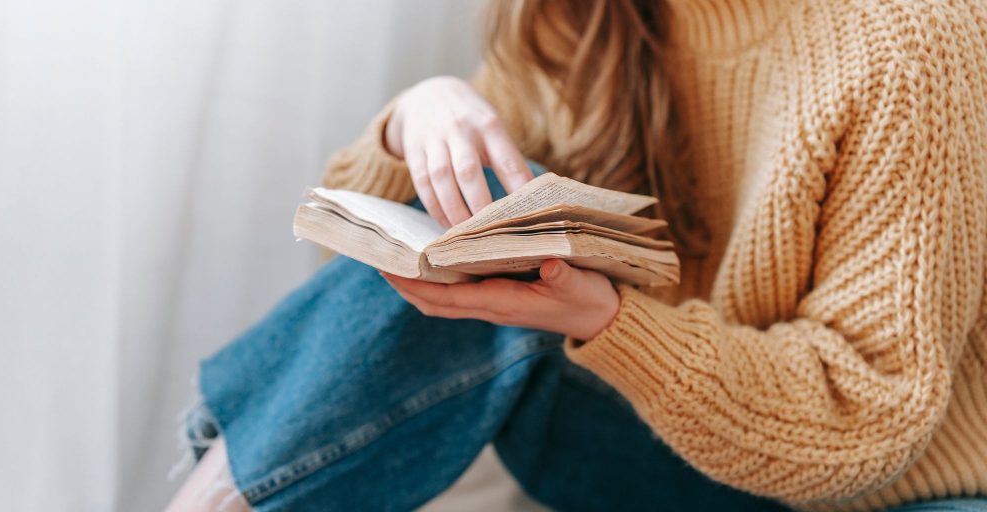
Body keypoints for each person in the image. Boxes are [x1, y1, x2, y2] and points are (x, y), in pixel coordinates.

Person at [166, 0, 987, 511]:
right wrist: (415, 115)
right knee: (454, 249)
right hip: (662, 457)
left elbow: (869, 419)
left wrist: (612, 323)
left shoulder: (909, 35)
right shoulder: (582, 15)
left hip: (893, 494)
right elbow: (366, 249)